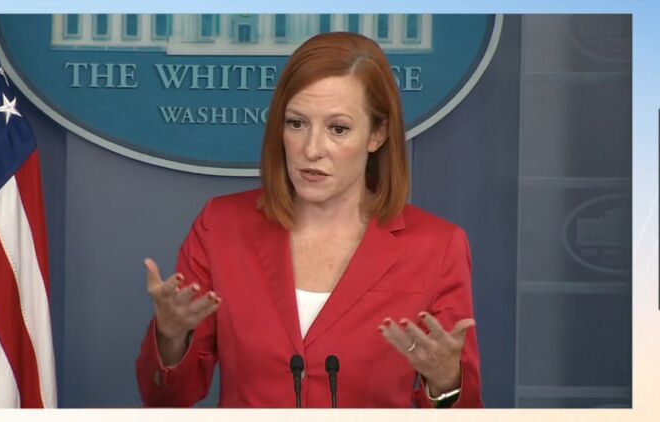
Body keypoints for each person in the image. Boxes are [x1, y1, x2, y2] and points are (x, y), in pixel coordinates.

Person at [135, 31, 482, 408]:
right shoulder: (221, 227)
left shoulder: (436, 247)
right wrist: (171, 337)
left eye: (338, 129)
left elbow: (465, 411)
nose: (312, 149)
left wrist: (445, 382)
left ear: (377, 134)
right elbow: (165, 401)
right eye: (297, 123)